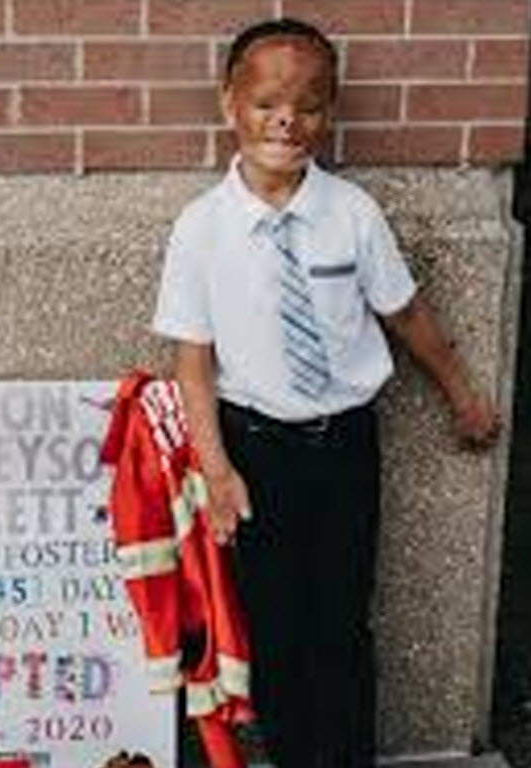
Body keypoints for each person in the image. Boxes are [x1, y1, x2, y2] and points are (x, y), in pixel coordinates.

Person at [151, 17, 501, 768]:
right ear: (229, 103)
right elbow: (193, 363)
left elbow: (405, 314)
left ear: (329, 114)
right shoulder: (201, 229)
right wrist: (217, 470)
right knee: (274, 627)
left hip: (344, 443)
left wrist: (462, 392)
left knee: (342, 622)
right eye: (266, 102)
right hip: (255, 452)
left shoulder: (351, 213)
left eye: (308, 105)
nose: (286, 120)